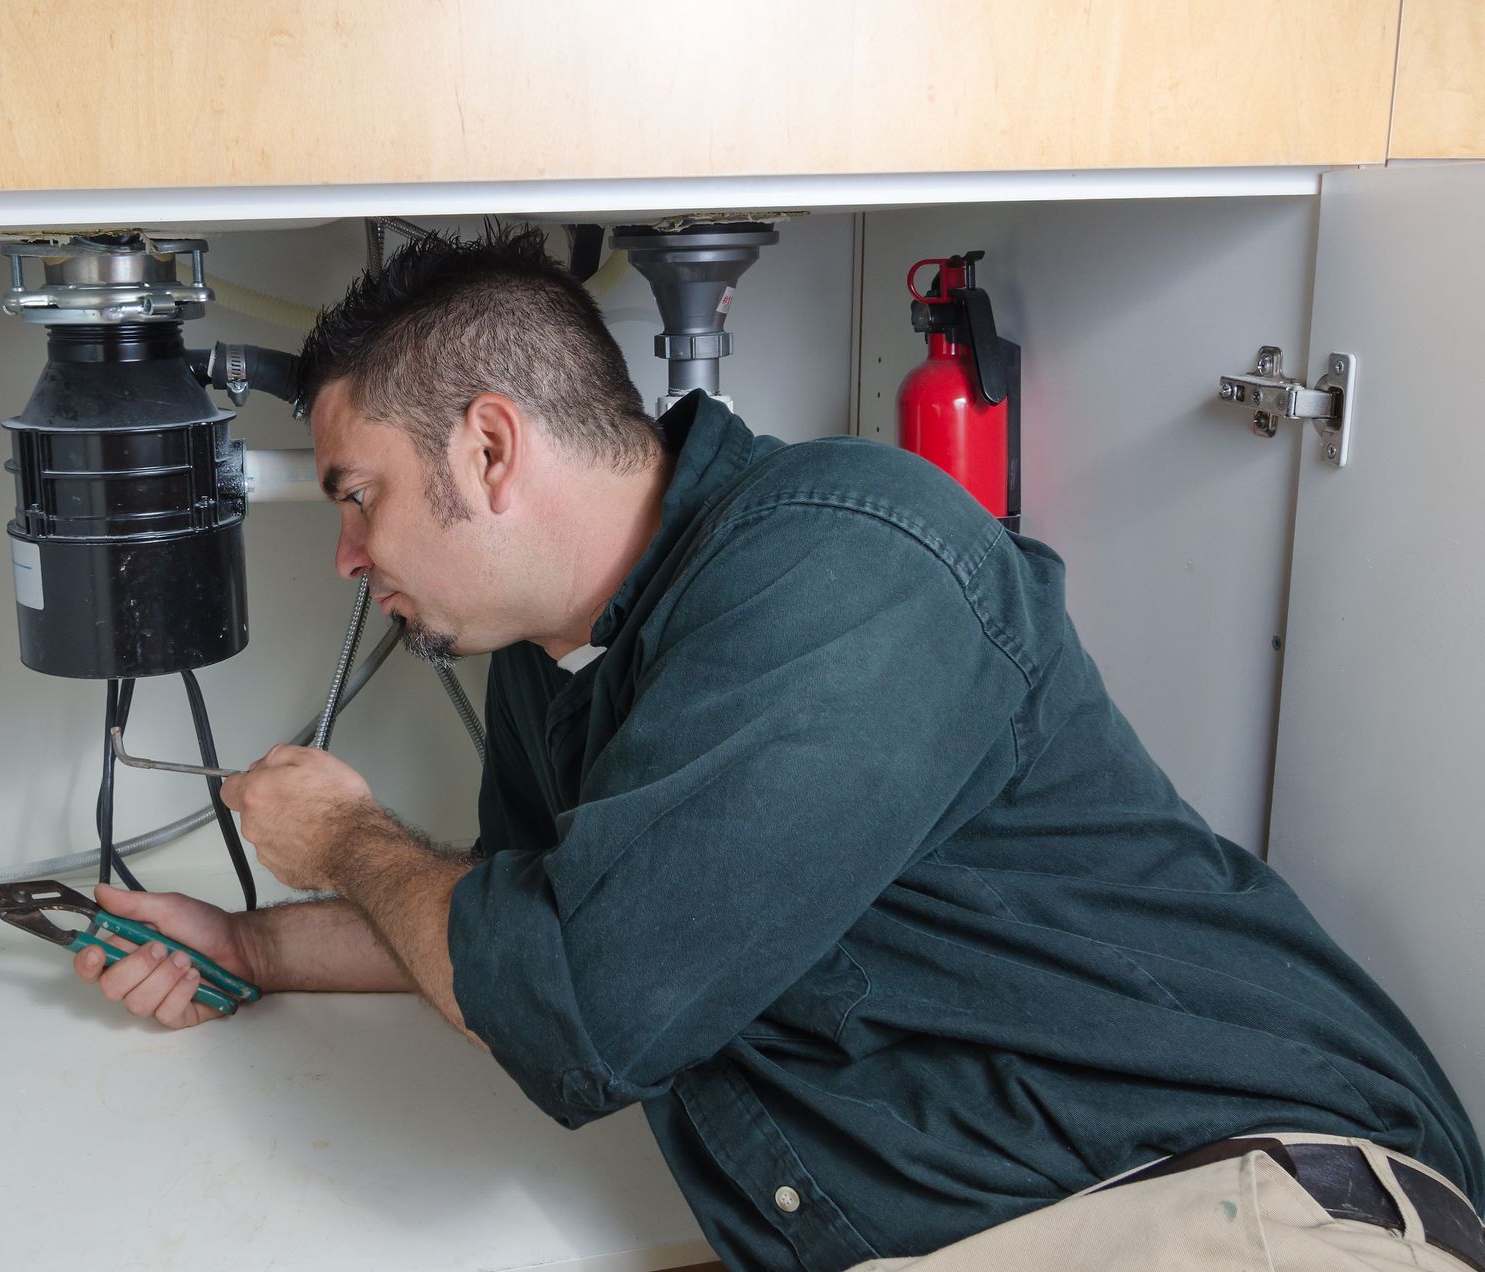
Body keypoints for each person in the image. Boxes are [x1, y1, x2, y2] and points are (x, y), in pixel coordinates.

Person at [72, 226, 1484, 1271]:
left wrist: (342, 835)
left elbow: (574, 1000)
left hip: (1231, 1206)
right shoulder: (550, 673)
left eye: (360, 495)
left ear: (492, 451)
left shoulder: (847, 563)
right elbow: (501, 939)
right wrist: (248, 947)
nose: (345, 554)